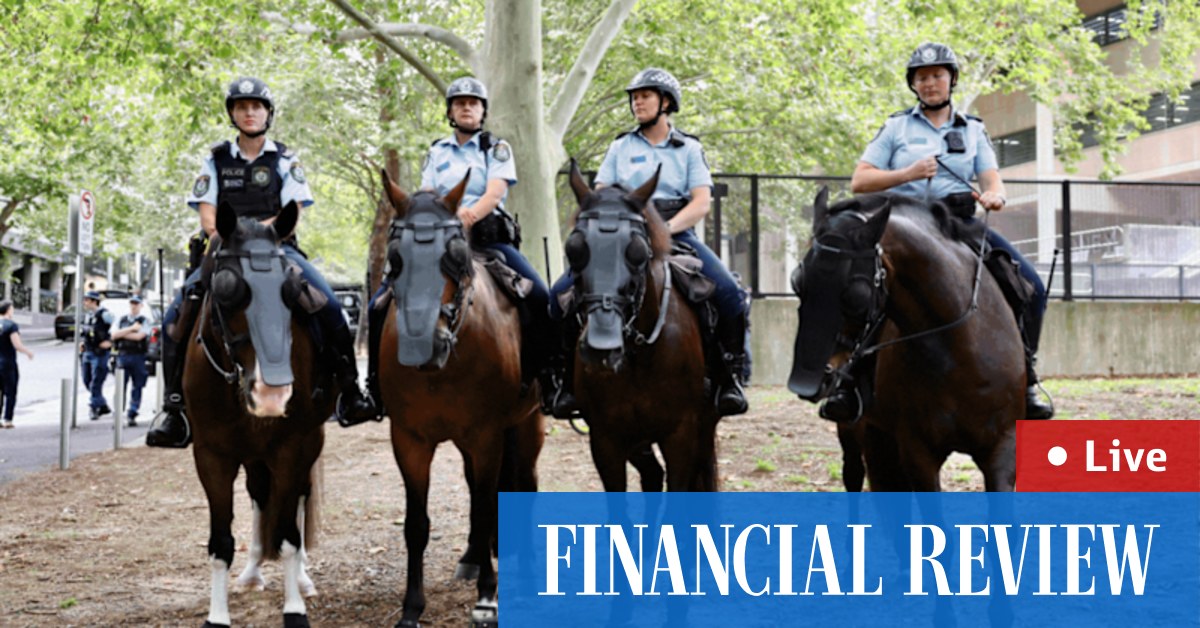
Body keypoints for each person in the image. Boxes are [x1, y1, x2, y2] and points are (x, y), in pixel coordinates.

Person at [146, 76, 378, 448]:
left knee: (330, 305)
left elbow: (293, 211)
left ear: (268, 113)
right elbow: (208, 220)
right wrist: (237, 235)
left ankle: (349, 392)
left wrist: (257, 232)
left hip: (276, 249)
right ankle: (173, 409)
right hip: (224, 250)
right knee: (177, 315)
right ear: (232, 114)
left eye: (256, 107)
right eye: (241, 107)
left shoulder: (285, 159)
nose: (249, 113)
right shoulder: (215, 159)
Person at [836, 41, 1054, 422]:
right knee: (859, 289)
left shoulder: (973, 130)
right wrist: (907, 174)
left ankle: (1028, 378)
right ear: (913, 85)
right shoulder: (896, 127)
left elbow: (992, 180)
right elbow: (860, 181)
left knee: (1031, 287)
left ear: (951, 80)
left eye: (937, 75)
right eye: (922, 77)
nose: (930, 83)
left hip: (958, 224)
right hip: (903, 226)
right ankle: (849, 381)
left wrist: (994, 197)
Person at [546, 67, 750, 418]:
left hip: (676, 233)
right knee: (560, 295)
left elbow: (701, 202)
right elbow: (599, 196)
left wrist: (664, 230)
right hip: (622, 237)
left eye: (645, 96)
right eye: (634, 97)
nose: (637, 102)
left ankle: (729, 378)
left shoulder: (689, 148)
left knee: (730, 293)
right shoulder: (620, 146)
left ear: (666, 102)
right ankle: (564, 382)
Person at [362, 76, 557, 417]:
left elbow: (496, 192)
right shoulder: (437, 151)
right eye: (460, 102)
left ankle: (549, 380)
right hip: (440, 244)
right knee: (380, 303)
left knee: (539, 296)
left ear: (483, 110)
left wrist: (466, 217)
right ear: (451, 111)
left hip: (487, 240)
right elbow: (427, 194)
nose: (467, 107)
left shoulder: (496, 149)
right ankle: (374, 389)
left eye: (473, 102)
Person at [112, 295, 150, 427]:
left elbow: (140, 336)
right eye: (132, 303)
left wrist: (123, 333)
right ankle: (118, 415)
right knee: (120, 387)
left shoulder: (144, 321)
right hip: (123, 355)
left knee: (137, 386)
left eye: (136, 304)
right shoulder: (122, 319)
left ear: (141, 306)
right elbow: (113, 335)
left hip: (138, 356)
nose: (134, 306)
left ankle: (132, 413)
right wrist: (131, 329)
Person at [79, 291, 114, 421]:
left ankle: (94, 408)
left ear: (94, 301)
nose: (85, 303)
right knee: (87, 380)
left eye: (87, 300)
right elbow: (87, 331)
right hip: (88, 351)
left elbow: (116, 327)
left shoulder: (105, 315)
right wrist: (83, 342)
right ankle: (103, 405)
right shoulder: (88, 316)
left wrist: (110, 342)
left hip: (100, 353)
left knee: (96, 382)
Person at [0, 300, 34, 428]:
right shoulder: (11, 325)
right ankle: (8, 419)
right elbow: (17, 345)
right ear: (8, 310)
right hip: (7, 363)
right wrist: (28, 352)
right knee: (10, 392)